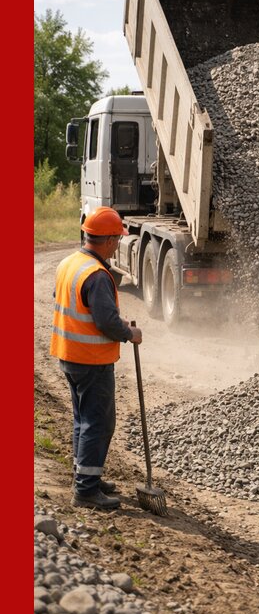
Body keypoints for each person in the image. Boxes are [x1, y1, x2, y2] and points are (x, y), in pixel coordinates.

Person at [50, 207, 142, 510]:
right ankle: (87, 491)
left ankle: (86, 475)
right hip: (91, 359)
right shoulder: (98, 275)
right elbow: (104, 321)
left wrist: (118, 322)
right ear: (110, 240)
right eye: (117, 239)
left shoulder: (70, 263)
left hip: (69, 354)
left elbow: (78, 305)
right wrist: (130, 333)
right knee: (97, 423)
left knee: (82, 419)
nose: (117, 244)